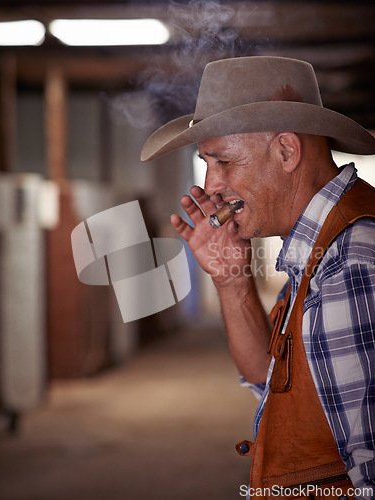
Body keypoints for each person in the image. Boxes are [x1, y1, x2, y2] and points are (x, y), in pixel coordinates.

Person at [141, 57, 375, 499]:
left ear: (287, 150)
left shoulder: (349, 259)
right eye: (205, 163)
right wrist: (231, 279)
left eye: (224, 161)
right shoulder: (319, 244)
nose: (210, 185)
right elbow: (278, 386)